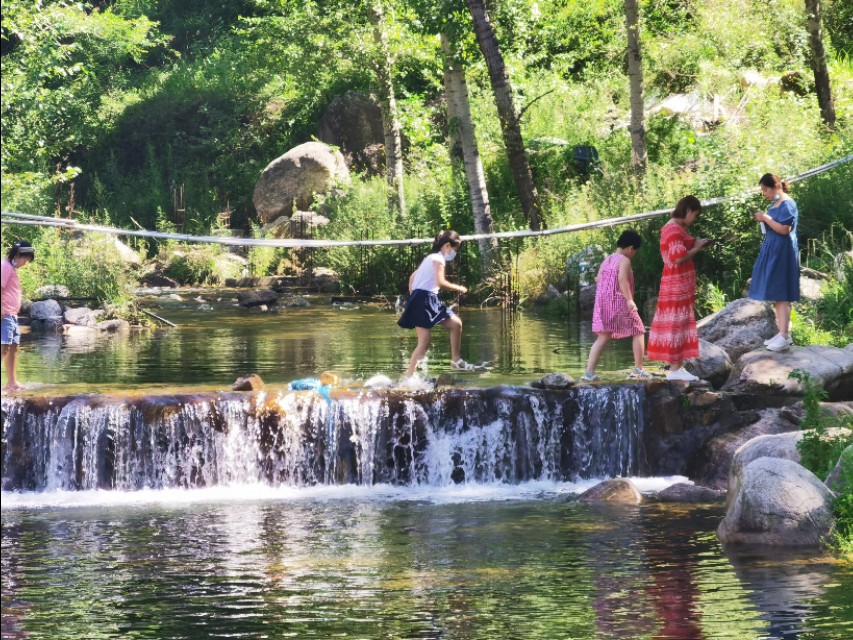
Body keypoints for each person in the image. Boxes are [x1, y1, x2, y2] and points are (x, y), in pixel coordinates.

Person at [647, 196, 711, 382]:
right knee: (676, 323)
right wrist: (697, 247)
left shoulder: (675, 228)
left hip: (678, 283)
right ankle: (675, 369)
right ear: (688, 210)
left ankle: (678, 367)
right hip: (676, 283)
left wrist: (696, 243)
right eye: (695, 215)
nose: (694, 219)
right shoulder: (674, 229)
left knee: (680, 323)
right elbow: (678, 257)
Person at [398, 230, 473, 377]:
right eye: (455, 249)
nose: (454, 253)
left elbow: (412, 277)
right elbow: (441, 282)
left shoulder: (430, 258)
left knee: (449, 328)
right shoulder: (438, 259)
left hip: (421, 299)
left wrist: (414, 294)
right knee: (433, 337)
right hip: (425, 299)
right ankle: (454, 360)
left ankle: (410, 376)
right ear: (447, 246)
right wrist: (459, 288)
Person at [581, 230, 651, 381]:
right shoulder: (624, 260)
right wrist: (629, 300)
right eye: (635, 251)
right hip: (620, 302)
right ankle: (638, 369)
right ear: (631, 248)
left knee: (603, 337)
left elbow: (598, 279)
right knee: (639, 330)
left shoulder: (607, 259)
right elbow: (622, 280)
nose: (634, 254)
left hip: (603, 304)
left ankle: (588, 373)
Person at [748, 173, 800, 351]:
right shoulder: (775, 203)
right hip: (773, 250)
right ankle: (783, 333)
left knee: (782, 291)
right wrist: (764, 219)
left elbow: (785, 229)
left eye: (765, 190)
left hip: (783, 252)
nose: (764, 193)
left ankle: (784, 336)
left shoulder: (787, 203)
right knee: (777, 292)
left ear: (776, 186)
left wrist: (765, 218)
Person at [2, 240, 35, 391]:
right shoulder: (5, 266)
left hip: (12, 315)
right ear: (17, 255)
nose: (25, 263)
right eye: (25, 259)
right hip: (5, 314)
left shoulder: (11, 269)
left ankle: (12, 382)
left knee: (14, 347)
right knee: (4, 347)